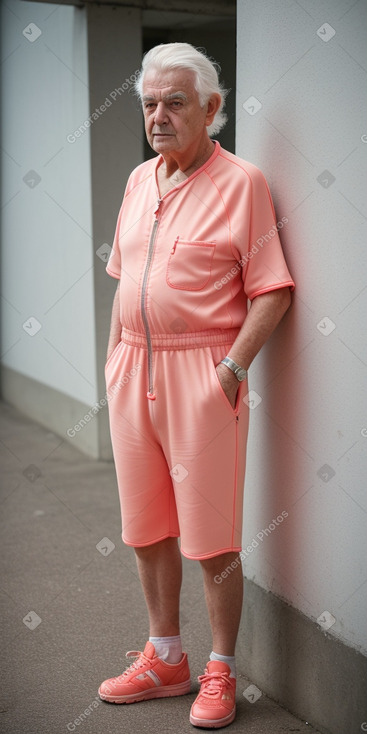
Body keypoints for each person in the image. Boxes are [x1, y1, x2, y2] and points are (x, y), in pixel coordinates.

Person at [98, 42, 295, 729]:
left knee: (210, 536)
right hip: (132, 368)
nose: (158, 116)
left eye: (175, 103)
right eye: (149, 104)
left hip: (201, 372)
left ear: (211, 110)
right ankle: (164, 656)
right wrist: (112, 361)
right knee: (144, 526)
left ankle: (219, 668)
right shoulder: (136, 179)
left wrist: (230, 370)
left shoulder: (241, 183)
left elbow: (272, 290)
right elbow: (126, 281)